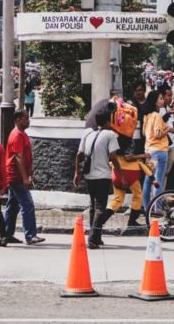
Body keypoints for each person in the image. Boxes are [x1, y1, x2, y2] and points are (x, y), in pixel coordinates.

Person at [74, 103, 122, 249]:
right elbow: (114, 157)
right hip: (102, 176)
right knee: (100, 207)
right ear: (108, 122)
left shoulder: (87, 133)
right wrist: (120, 174)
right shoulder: (110, 134)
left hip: (89, 176)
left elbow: (79, 155)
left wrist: (77, 172)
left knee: (93, 206)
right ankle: (93, 238)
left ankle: (97, 236)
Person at [3, 109, 44, 245]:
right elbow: (18, 157)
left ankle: (7, 234)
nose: (28, 120)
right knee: (27, 204)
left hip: (16, 175)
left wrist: (30, 173)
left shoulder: (22, 134)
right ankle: (30, 235)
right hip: (16, 176)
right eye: (26, 118)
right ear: (18, 120)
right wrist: (25, 178)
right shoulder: (17, 136)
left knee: (13, 205)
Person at [142, 93, 173, 212]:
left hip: (149, 151)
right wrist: (168, 129)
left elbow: (145, 134)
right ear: (155, 102)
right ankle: (157, 209)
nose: (162, 100)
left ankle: (146, 208)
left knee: (148, 180)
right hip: (159, 151)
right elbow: (158, 134)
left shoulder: (147, 116)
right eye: (160, 98)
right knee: (158, 181)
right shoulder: (157, 115)